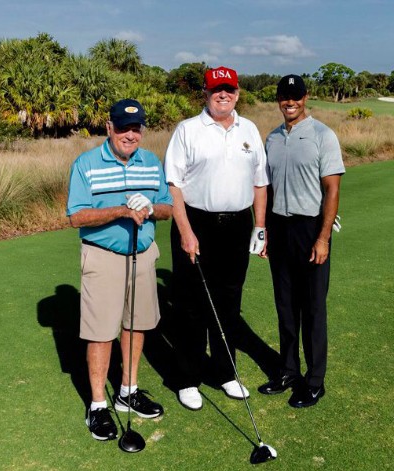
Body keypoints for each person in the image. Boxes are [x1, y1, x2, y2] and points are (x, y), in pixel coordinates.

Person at [66, 99, 173, 440]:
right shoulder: (87, 164)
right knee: (101, 332)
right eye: (123, 127)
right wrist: (122, 210)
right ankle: (98, 405)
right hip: (103, 257)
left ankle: (128, 390)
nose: (130, 134)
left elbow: (168, 207)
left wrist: (151, 208)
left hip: (142, 254)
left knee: (136, 324)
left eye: (136, 127)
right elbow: (77, 216)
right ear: (109, 127)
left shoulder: (151, 162)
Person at [164, 66, 269, 410]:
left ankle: (226, 373)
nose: (223, 95)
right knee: (192, 304)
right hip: (197, 222)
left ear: (237, 92)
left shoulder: (249, 129)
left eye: (229, 90)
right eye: (216, 90)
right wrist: (185, 231)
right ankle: (188, 378)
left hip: (238, 224)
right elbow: (173, 184)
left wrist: (260, 226)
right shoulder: (188, 130)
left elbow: (259, 182)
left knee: (228, 302)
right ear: (205, 95)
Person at [258, 75, 345, 408]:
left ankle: (314, 380)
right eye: (284, 96)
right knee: (285, 307)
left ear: (306, 97)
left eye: (295, 96)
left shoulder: (323, 135)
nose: (289, 101)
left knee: (312, 309)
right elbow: (264, 189)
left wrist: (323, 238)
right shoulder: (273, 138)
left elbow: (332, 189)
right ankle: (288, 372)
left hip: (311, 229)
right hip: (280, 229)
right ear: (278, 100)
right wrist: (262, 230)